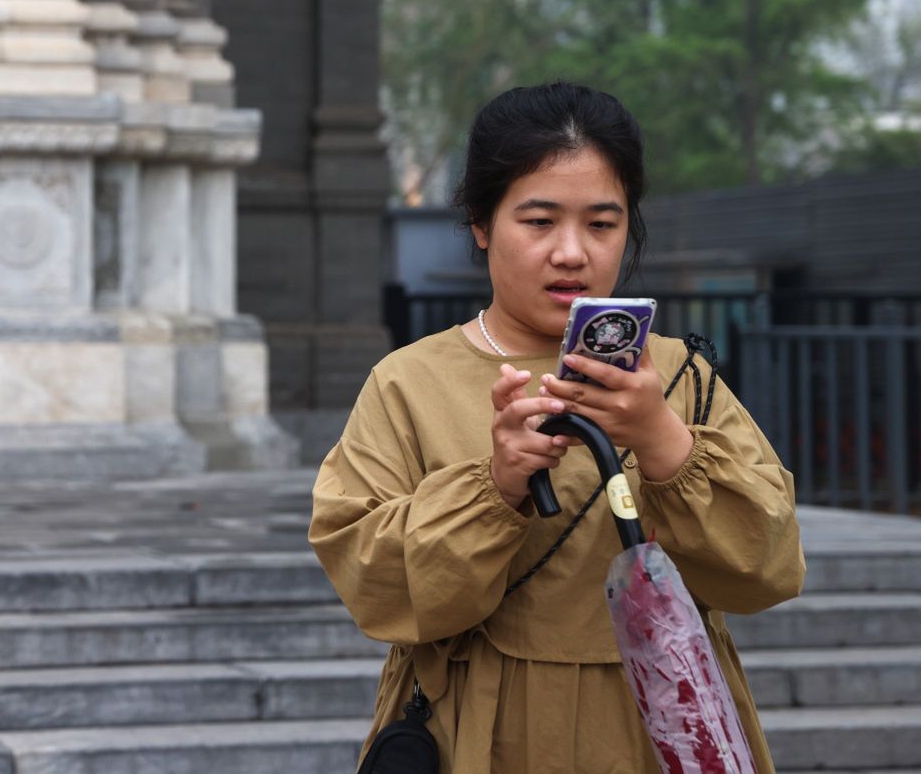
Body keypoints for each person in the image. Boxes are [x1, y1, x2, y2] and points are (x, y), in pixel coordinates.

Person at [311, 82, 804, 772]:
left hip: (659, 724)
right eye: (539, 222)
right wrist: (496, 484)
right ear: (481, 223)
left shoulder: (677, 377)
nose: (572, 253)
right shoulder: (409, 382)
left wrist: (661, 438)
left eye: (601, 224)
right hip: (484, 726)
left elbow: (768, 569)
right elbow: (373, 584)